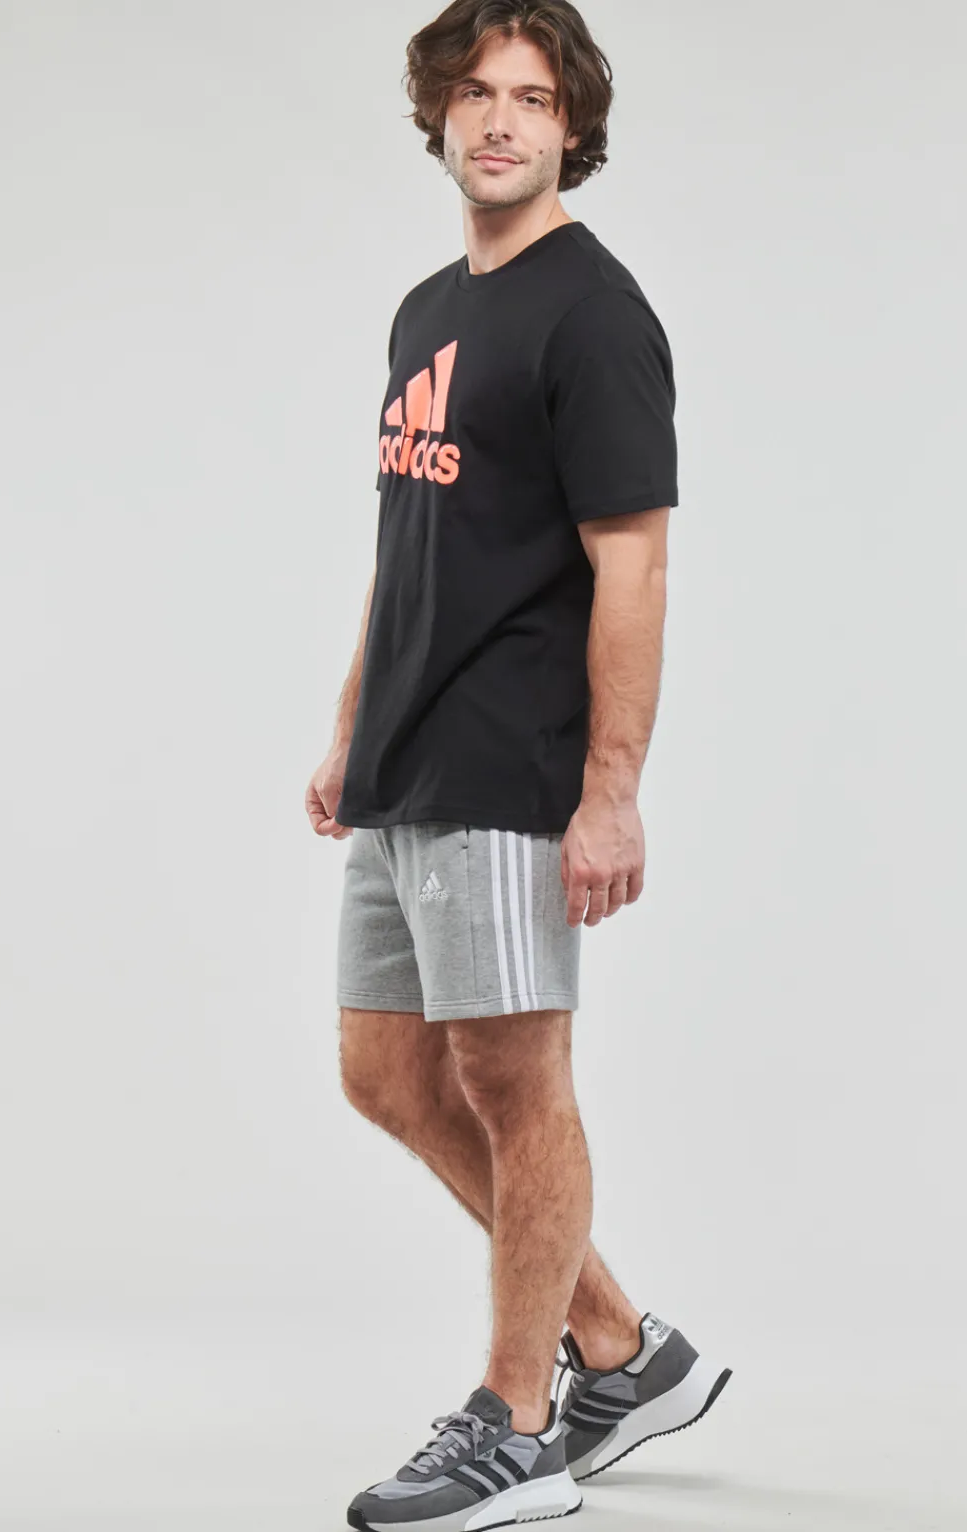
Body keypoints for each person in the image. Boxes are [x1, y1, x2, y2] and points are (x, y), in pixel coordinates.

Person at [305, 2, 730, 1525]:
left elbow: (636, 565)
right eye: (476, 92)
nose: (499, 119)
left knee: (511, 1078)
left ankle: (519, 1422)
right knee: (385, 1074)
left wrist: (611, 789)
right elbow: (408, 539)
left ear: (573, 128)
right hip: (407, 755)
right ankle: (620, 1346)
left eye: (533, 98)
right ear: (439, 114)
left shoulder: (593, 314)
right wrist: (353, 722)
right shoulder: (428, 309)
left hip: (511, 760)